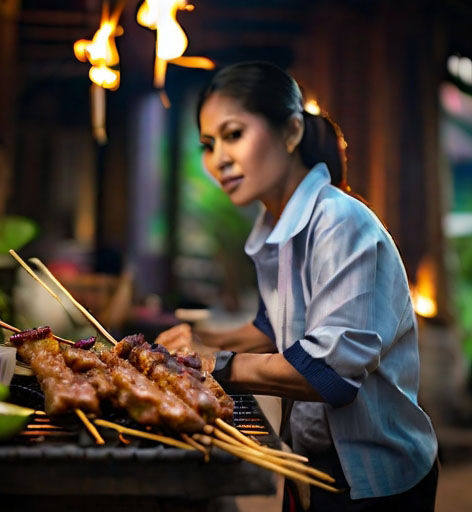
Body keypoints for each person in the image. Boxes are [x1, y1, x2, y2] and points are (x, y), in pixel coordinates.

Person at [159, 61, 439, 511]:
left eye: (233, 134)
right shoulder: (281, 226)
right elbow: (276, 330)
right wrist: (196, 343)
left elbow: (329, 371)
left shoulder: (339, 222)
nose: (218, 160)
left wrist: (217, 363)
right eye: (208, 145)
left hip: (374, 481)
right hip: (315, 463)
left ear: (290, 132)